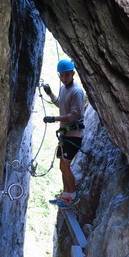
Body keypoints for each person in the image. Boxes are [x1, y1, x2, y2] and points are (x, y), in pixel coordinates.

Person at [43, 58, 85, 209]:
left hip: (74, 135)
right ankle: (66, 195)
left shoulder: (77, 92)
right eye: (62, 75)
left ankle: (72, 195)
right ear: (59, 75)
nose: (65, 78)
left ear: (73, 74)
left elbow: (75, 115)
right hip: (66, 135)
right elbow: (60, 104)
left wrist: (54, 119)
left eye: (67, 75)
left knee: (65, 166)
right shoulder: (64, 89)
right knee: (62, 166)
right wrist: (50, 93)